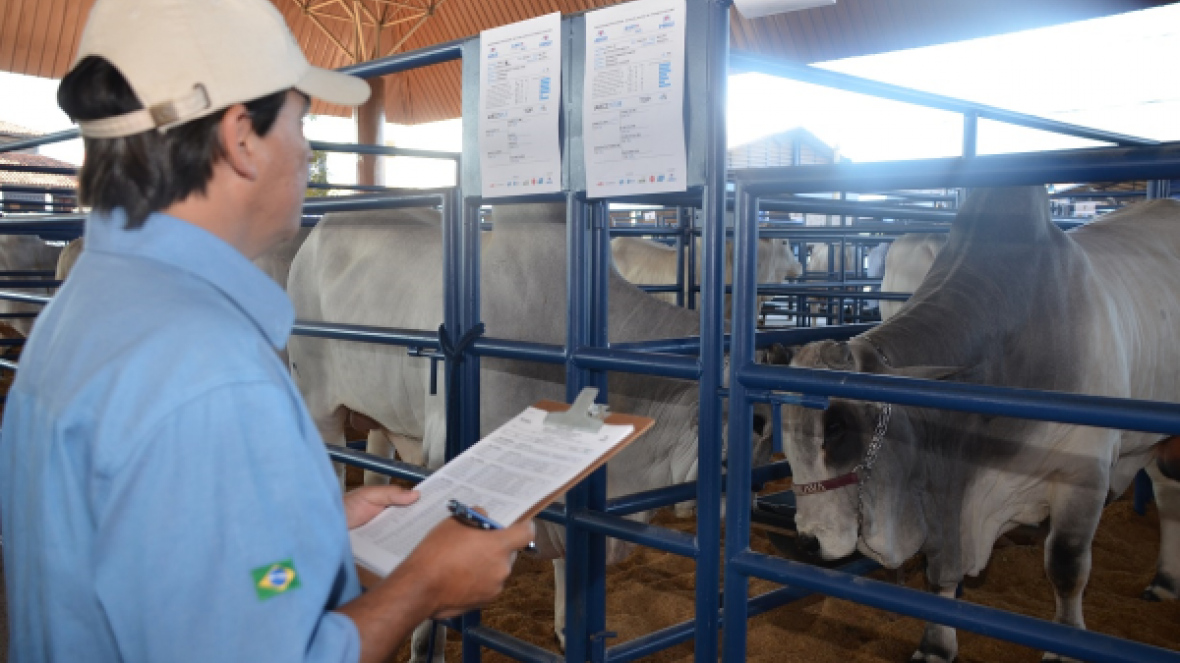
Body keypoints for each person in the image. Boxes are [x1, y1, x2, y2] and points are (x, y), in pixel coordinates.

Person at [0, 0, 533, 661]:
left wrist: (311, 535)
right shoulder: (209, 368)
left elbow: (170, 565)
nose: (307, 152)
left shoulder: (87, 308)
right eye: (300, 124)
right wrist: (422, 586)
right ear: (241, 139)